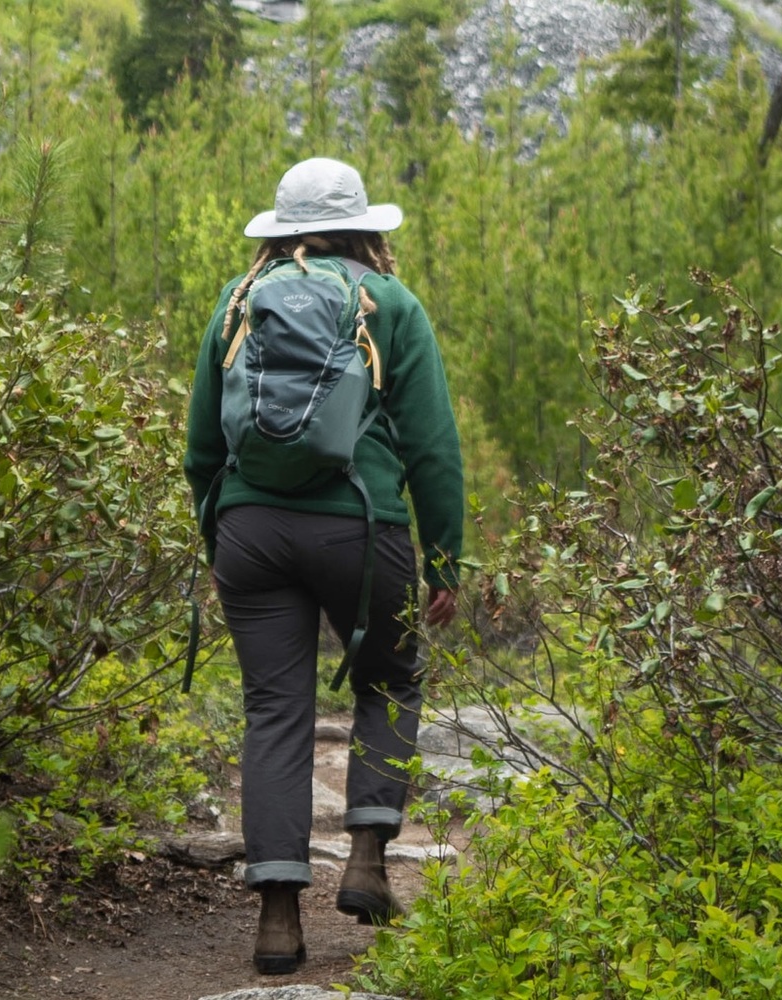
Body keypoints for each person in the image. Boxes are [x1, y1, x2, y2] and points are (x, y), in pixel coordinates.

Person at [183, 157, 464, 975]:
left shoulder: (240, 303)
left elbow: (203, 445)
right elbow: (432, 446)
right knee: (387, 680)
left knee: (275, 709)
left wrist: (222, 538)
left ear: (282, 229)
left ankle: (277, 920)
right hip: (361, 527)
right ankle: (370, 861)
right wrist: (444, 556)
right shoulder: (391, 304)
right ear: (366, 228)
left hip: (250, 529)